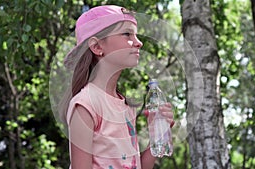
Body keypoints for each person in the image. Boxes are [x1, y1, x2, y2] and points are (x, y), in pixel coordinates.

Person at [63, 5, 175, 169]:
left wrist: (157, 133)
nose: (139, 43)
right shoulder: (86, 105)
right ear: (97, 47)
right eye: (127, 34)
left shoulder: (125, 107)